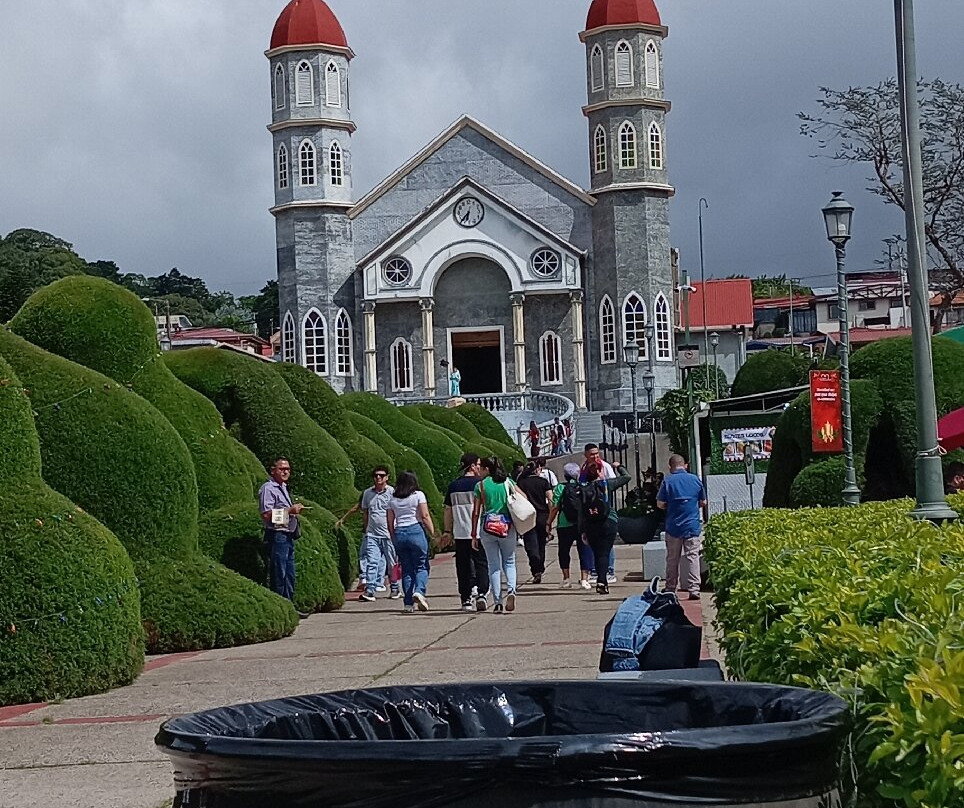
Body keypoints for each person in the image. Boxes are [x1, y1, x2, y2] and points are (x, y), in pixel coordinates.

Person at [471, 456, 528, 613]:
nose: (480, 471)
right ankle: (511, 590)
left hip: (488, 527)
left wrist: (474, 533)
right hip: (507, 526)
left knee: (493, 565)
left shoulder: (480, 485)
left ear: (487, 469)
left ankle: (497, 602)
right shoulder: (507, 482)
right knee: (509, 562)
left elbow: (476, 512)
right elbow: (523, 497)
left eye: (481, 468)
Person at [258, 458, 307, 614]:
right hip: (277, 534)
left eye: (288, 469)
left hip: (288, 535)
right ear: (273, 470)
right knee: (279, 573)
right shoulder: (268, 488)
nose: (286, 472)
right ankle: (279, 609)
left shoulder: (283, 487)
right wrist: (290, 511)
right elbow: (266, 515)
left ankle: (289, 607)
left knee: (289, 574)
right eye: (282, 469)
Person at [656, 454, 707, 601]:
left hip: (673, 527)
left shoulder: (668, 481)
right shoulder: (695, 479)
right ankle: (694, 589)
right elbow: (703, 502)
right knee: (692, 557)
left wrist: (669, 506)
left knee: (672, 558)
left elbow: (660, 503)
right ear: (685, 465)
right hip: (692, 525)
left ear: (670, 466)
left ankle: (671, 588)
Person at [443, 453, 490, 612]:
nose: (479, 467)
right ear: (472, 466)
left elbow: (448, 510)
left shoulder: (453, 486)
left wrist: (447, 531)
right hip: (479, 532)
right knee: (481, 563)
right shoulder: (481, 484)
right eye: (477, 464)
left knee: (463, 566)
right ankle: (482, 593)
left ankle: (466, 599)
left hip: (460, 532)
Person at [386, 471, 436, 613]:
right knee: (421, 566)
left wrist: (393, 536)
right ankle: (419, 591)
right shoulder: (418, 495)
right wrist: (433, 533)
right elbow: (425, 515)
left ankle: (408, 603)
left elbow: (390, 521)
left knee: (407, 569)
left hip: (400, 532)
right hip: (415, 530)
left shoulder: (392, 499)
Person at [579, 459, 630, 595]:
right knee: (605, 552)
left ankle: (600, 579)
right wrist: (619, 466)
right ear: (600, 472)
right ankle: (602, 581)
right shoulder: (607, 484)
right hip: (608, 521)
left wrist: (582, 530)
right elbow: (627, 477)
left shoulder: (583, 488)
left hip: (591, 524)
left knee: (596, 553)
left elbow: (581, 511)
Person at [357, 467, 400, 603]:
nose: (378, 478)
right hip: (372, 534)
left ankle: (394, 587)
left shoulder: (392, 492)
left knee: (391, 562)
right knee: (372, 561)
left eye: (381, 475)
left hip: (388, 534)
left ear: (387, 477)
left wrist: (394, 530)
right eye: (376, 475)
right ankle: (370, 589)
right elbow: (365, 512)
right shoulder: (367, 493)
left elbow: (396, 512)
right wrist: (365, 529)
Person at [548, 462, 593, 589]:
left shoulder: (560, 488)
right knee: (584, 550)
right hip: (581, 523)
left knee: (564, 551)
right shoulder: (584, 486)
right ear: (578, 474)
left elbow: (555, 507)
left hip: (564, 524)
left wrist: (549, 523)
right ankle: (584, 579)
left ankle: (566, 579)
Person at [581, 444, 618, 585]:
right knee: (595, 544)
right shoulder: (584, 469)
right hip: (591, 512)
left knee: (607, 543)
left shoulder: (605, 467)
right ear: (586, 454)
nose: (595, 456)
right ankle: (598, 570)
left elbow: (612, 483)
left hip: (604, 511)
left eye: (597, 454)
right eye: (592, 454)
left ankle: (609, 570)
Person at [515, 461, 553, 584]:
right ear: (537, 470)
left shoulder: (521, 483)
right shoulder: (543, 482)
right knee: (541, 544)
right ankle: (540, 567)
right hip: (542, 516)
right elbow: (550, 499)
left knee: (531, 546)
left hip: (527, 516)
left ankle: (535, 568)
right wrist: (550, 518)